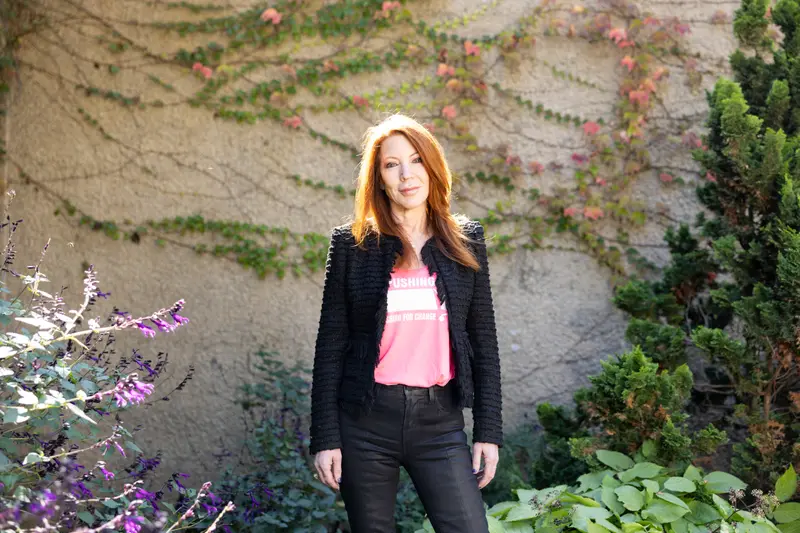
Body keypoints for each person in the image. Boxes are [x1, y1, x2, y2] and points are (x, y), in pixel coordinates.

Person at [309, 113, 502, 533]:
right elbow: (331, 345)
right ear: (378, 178)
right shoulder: (352, 244)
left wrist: (488, 430)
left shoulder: (465, 240)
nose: (406, 174)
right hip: (364, 422)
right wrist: (325, 436)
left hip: (440, 423)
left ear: (433, 169)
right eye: (391, 164)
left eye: (416, 160)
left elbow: (482, 340)